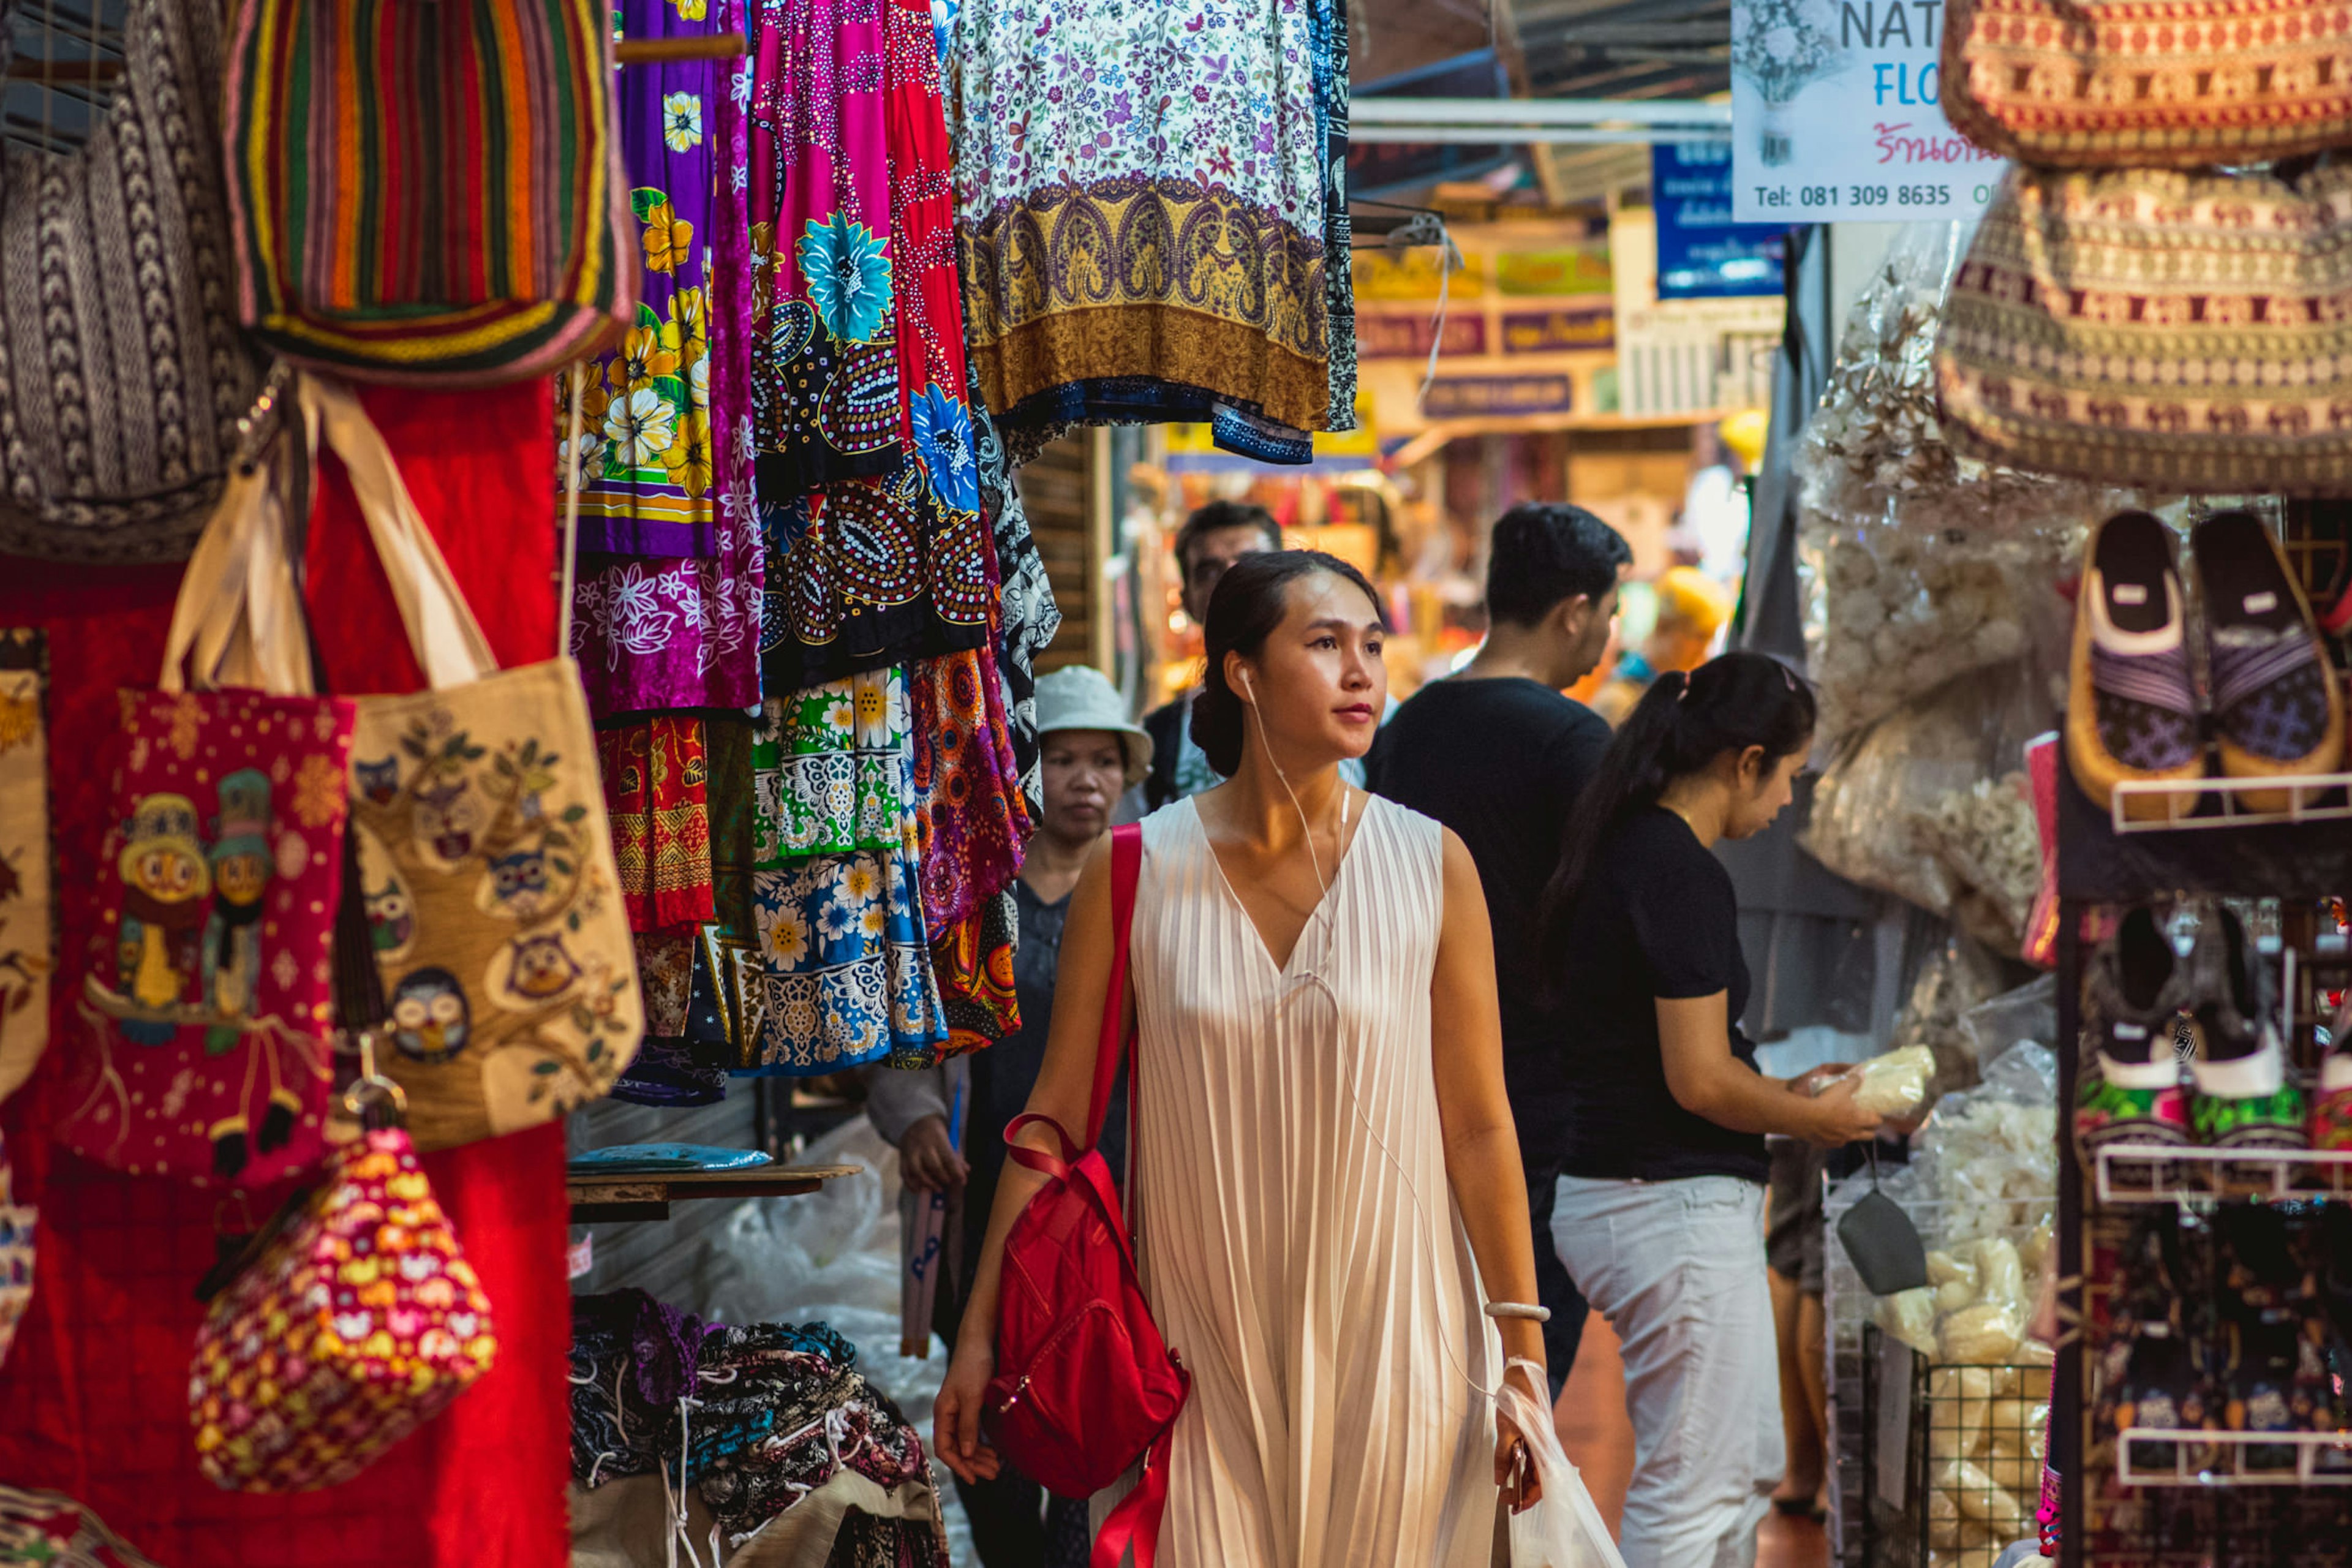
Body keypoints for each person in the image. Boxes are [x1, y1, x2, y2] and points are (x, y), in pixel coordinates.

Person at [935, 549, 1550, 1567]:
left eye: (1373, 647)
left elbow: (1481, 1126)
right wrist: (979, 1335)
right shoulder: (1136, 869)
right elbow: (1054, 1121)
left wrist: (1522, 1358)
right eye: (1325, 644)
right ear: (1241, 672)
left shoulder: (1433, 864)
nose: (1363, 673)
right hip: (1193, 1353)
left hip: (1401, 1335)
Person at [1534, 652, 1882, 1568]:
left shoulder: (1626, 848)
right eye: (1790, 778)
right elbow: (1698, 1080)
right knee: (1695, 1490)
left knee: (1741, 1469)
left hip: (1641, 1193)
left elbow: (1689, 1062)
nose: (1787, 804)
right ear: (1746, 760)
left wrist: (1790, 1094)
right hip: (1663, 1203)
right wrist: (1819, 1121)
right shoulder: (1676, 868)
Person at [865, 665, 1147, 1568]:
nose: (1086, 780)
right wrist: (915, 1124)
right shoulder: (974, 900)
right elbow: (915, 1038)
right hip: (985, 1198)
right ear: (1024, 770)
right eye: (1062, 759)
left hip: (1113, 1197)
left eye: (1104, 761)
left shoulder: (1151, 893)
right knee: (986, 1401)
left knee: (1091, 1396)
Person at [1365, 500, 1630, 1399]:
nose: (1608, 634)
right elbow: (1607, 918)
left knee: (1431, 1326)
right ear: (1573, 613)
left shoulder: (1407, 726)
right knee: (1525, 1333)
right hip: (1537, 1088)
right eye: (1609, 611)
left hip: (1412, 1066)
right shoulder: (1572, 738)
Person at [1139, 500, 1283, 811]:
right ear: (1187, 599)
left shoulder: (1355, 711)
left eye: (1251, 564)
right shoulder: (1158, 738)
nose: (1231, 579)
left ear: (1288, 583)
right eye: (1208, 571)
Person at [1591, 565, 1735, 726]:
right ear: (1664, 625)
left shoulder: (1678, 691)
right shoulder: (1619, 699)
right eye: (1699, 637)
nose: (1704, 649)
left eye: (1710, 638)